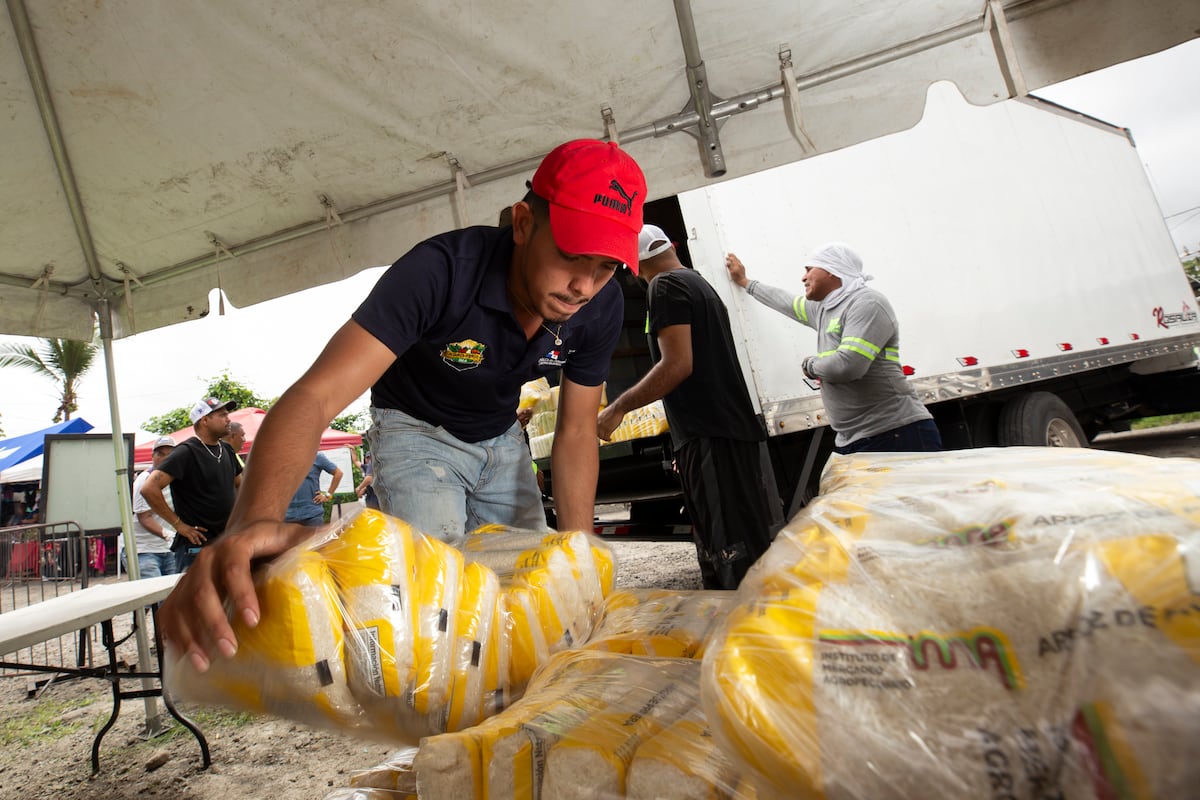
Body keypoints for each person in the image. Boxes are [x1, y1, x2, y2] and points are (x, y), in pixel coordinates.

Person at [161, 138, 646, 671]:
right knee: (438, 603)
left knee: (536, 594)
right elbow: (316, 395)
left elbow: (577, 431)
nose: (583, 286)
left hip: (501, 436)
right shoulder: (440, 271)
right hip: (416, 430)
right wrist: (253, 522)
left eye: (605, 267)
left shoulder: (599, 306)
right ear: (524, 223)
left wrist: (578, 552)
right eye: (572, 257)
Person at [598, 225, 776, 589]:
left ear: (632, 264)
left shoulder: (665, 286)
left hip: (713, 434)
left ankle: (749, 632)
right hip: (714, 434)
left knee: (731, 550)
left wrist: (618, 408)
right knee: (738, 543)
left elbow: (678, 364)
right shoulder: (695, 282)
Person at [725, 243, 941, 454]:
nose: (803, 277)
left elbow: (848, 366)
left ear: (832, 271)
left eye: (810, 269)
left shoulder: (867, 303)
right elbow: (786, 302)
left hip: (895, 434)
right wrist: (746, 282)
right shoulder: (824, 309)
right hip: (855, 439)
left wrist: (811, 366)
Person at [141, 397, 244, 572]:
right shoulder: (186, 452)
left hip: (226, 543)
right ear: (204, 420)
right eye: (222, 415)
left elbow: (241, 486)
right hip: (196, 549)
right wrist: (179, 525)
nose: (228, 419)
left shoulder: (226, 450)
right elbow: (149, 488)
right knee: (199, 599)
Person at [130, 436, 180, 578]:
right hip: (144, 550)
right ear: (152, 456)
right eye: (160, 454)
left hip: (168, 549)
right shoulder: (145, 480)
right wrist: (168, 534)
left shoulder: (177, 479)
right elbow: (144, 517)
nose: (164, 458)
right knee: (153, 594)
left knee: (172, 594)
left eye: (169, 455)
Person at [285, 452, 343, 527]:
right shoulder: (283, 459)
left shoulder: (316, 457)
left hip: (312, 515)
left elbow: (338, 473)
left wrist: (328, 495)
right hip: (289, 517)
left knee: (315, 538)